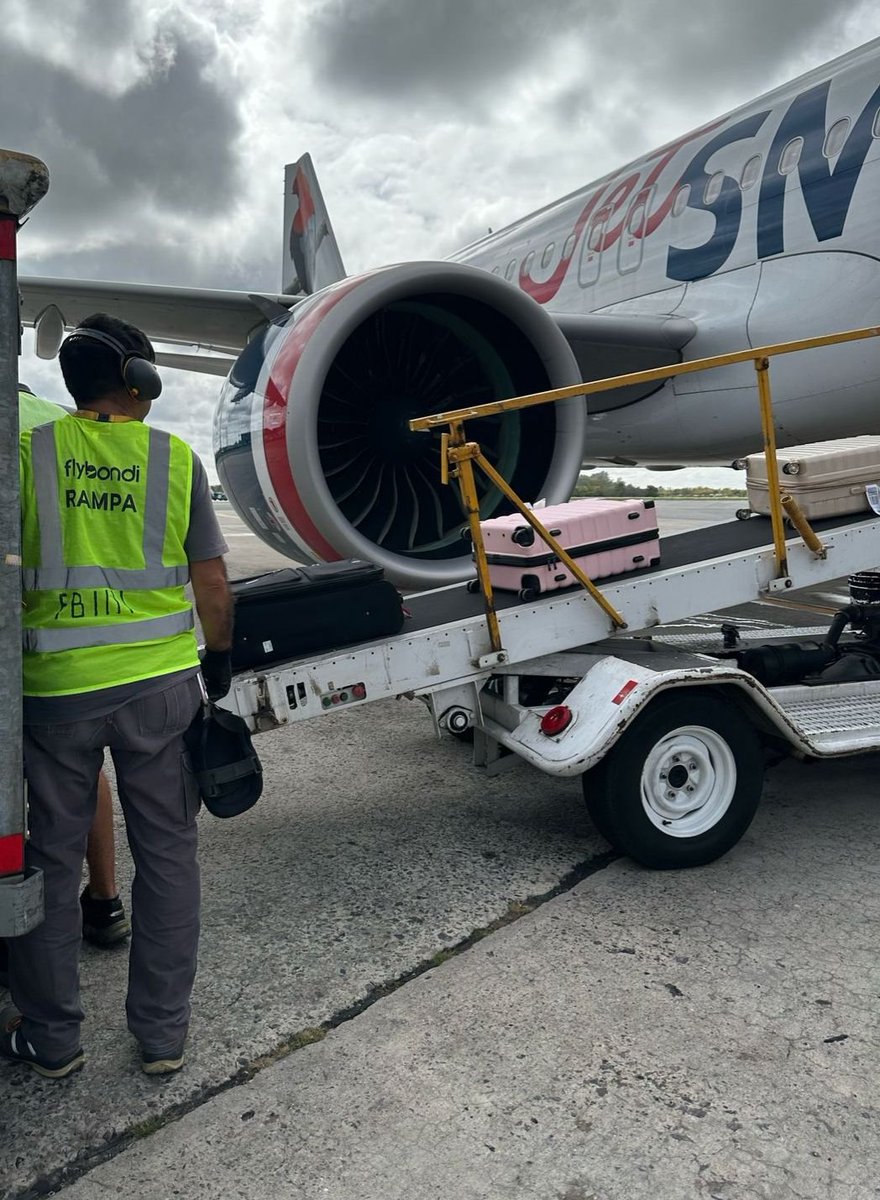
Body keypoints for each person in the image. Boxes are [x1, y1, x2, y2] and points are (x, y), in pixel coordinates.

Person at [2, 315, 233, 1079]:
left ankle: (52, 1039)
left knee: (49, 863)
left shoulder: (27, 453)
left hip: (56, 696)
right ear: (141, 379)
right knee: (168, 857)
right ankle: (162, 1037)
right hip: (161, 691)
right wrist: (219, 660)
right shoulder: (174, 458)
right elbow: (211, 584)